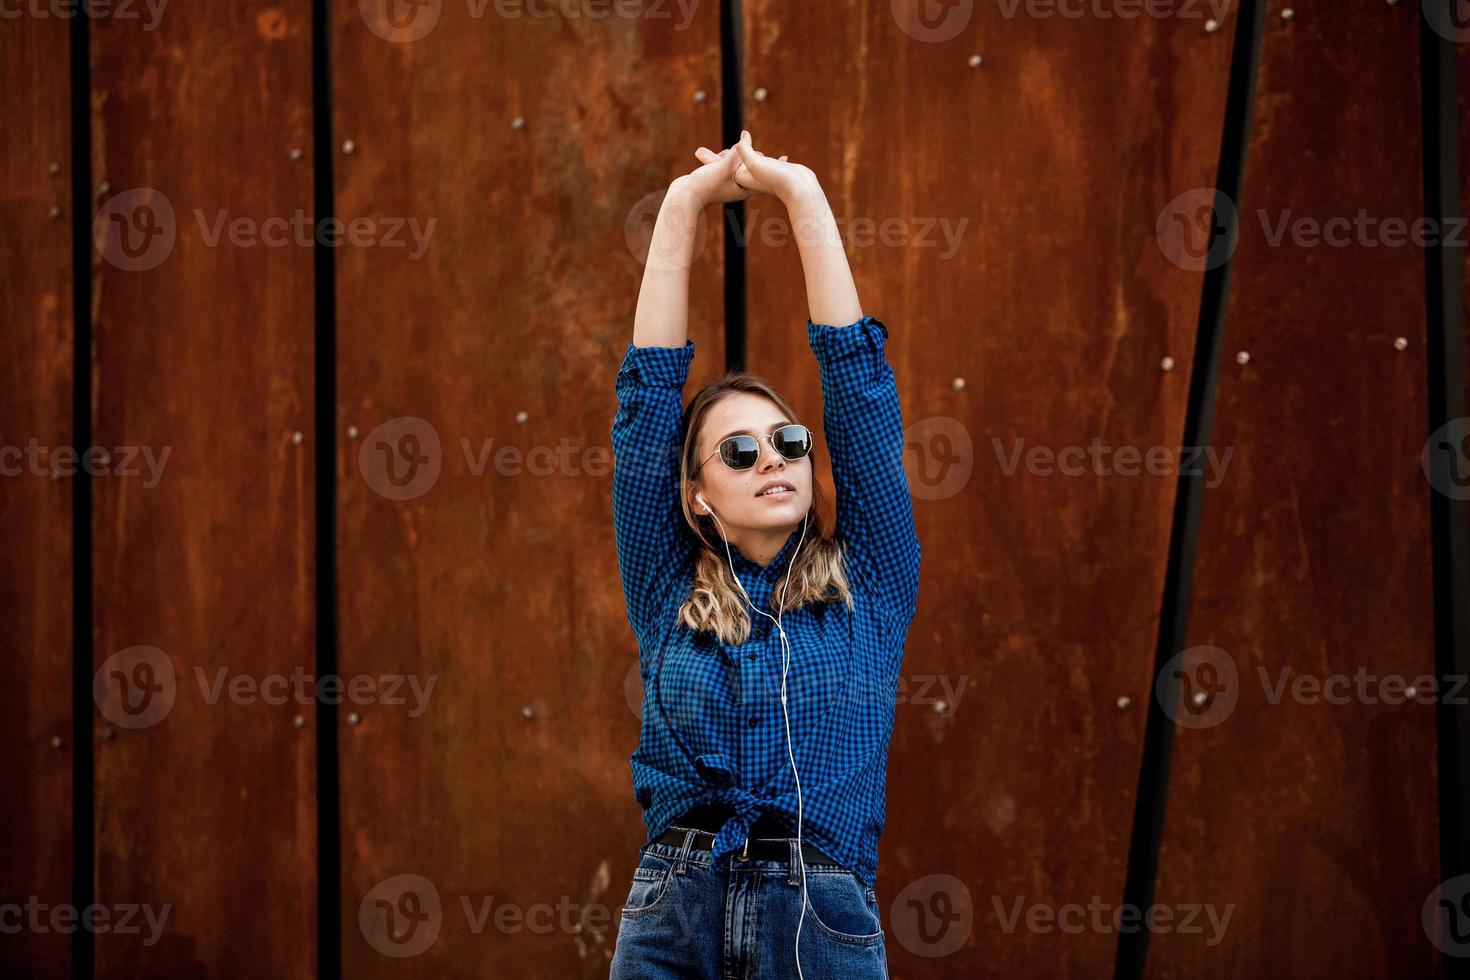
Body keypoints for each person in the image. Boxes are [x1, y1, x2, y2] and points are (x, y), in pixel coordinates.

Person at [608, 130, 920, 979]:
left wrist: (803, 194)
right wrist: (683, 203)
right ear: (695, 496)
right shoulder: (667, 586)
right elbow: (646, 402)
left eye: (785, 440)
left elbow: (859, 390)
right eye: (738, 452)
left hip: (821, 922)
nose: (773, 459)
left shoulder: (871, 589)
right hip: (676, 915)